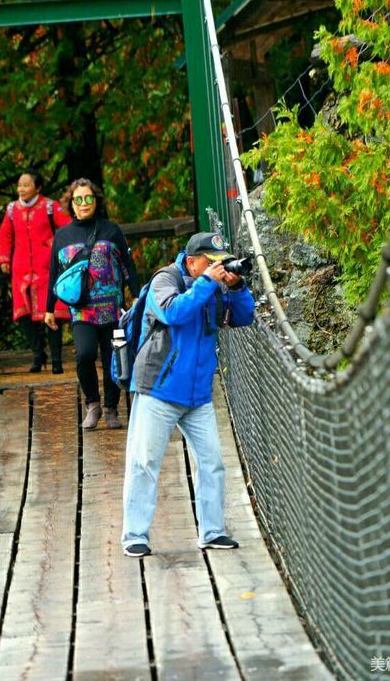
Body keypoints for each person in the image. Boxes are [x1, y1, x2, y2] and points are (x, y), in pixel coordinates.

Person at [120, 231, 255, 557]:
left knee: (213, 464)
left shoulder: (214, 284)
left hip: (197, 395)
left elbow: (244, 316)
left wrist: (235, 287)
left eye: (220, 264)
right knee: (145, 462)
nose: (217, 269)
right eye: (211, 263)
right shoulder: (164, 281)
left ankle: (212, 531)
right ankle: (134, 536)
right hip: (159, 390)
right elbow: (174, 313)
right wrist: (208, 283)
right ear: (192, 261)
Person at [45, 177, 139, 430]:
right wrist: (49, 308)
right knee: (84, 354)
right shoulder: (63, 235)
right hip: (81, 311)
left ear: (96, 201)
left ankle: (111, 409)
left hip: (112, 309)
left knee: (113, 359)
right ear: (71, 204)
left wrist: (137, 295)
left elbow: (128, 265)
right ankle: (92, 404)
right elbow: (55, 273)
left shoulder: (111, 230)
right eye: (78, 200)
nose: (84, 204)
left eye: (88, 198)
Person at [0, 169, 71, 373]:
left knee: (52, 313)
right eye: (19, 185)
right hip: (21, 268)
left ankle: (56, 360)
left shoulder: (50, 206)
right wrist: (3, 258)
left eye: (26, 185)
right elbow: (5, 236)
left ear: (37, 188)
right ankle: (38, 354)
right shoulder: (12, 209)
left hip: (47, 267)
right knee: (23, 314)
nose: (21, 189)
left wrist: (57, 248)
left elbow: (67, 228)